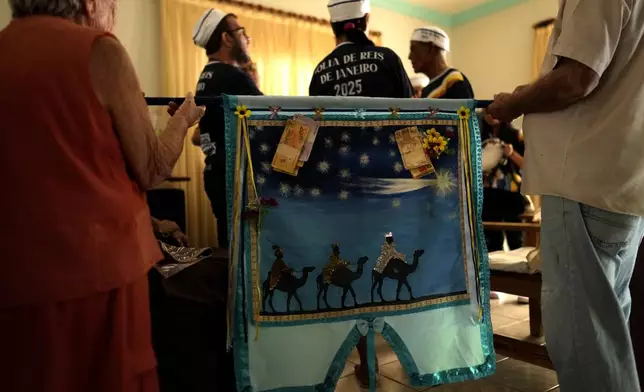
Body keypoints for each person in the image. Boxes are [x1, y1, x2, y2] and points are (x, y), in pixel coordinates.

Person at [0, 1, 205, 391]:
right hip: (97, 271)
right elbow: (152, 168)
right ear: (91, 4)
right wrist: (184, 118)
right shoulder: (100, 50)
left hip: (16, 276)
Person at [487, 1, 644, 390]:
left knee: (583, 342)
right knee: (604, 335)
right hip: (616, 186)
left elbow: (576, 78)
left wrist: (515, 102)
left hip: (582, 187)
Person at [192, 9, 263, 249]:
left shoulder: (207, 75)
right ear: (226, 38)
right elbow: (270, 115)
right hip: (233, 177)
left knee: (229, 249)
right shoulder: (231, 75)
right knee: (246, 252)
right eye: (241, 31)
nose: (246, 38)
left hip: (215, 174)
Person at [309, 0, 413, 98]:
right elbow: (410, 109)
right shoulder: (387, 58)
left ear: (332, 26)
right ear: (366, 20)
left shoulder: (319, 72)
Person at [480, 113, 526, 252]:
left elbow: (527, 164)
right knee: (492, 239)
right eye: (489, 112)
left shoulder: (515, 135)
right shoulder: (478, 135)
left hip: (510, 192)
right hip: (487, 192)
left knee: (515, 238)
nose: (492, 115)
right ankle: (495, 272)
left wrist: (511, 153)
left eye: (496, 111)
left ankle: (519, 272)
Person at [408, 26, 474, 99]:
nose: (409, 57)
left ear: (431, 49)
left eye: (413, 49)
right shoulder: (425, 91)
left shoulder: (454, 80)